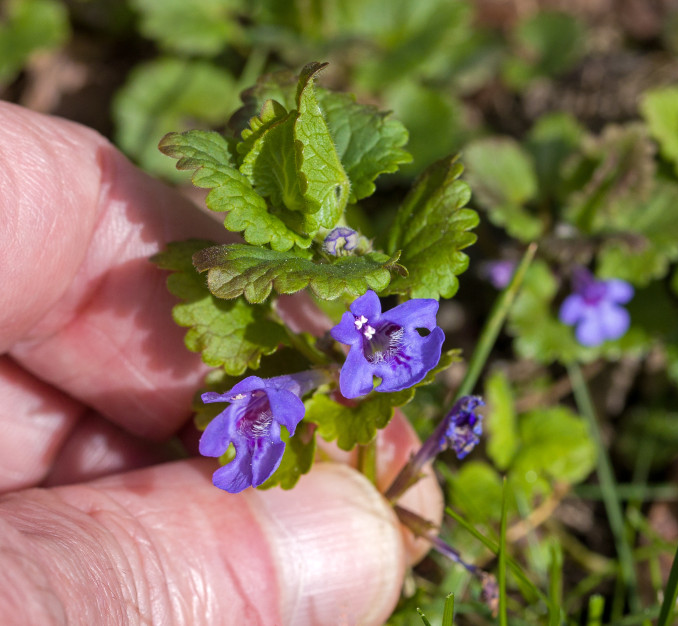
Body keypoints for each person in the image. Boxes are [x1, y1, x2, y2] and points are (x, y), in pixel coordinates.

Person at [0, 101, 442, 625]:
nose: (252, 415)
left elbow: (372, 345)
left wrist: (367, 339)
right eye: (249, 406)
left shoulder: (361, 347)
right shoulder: (326, 372)